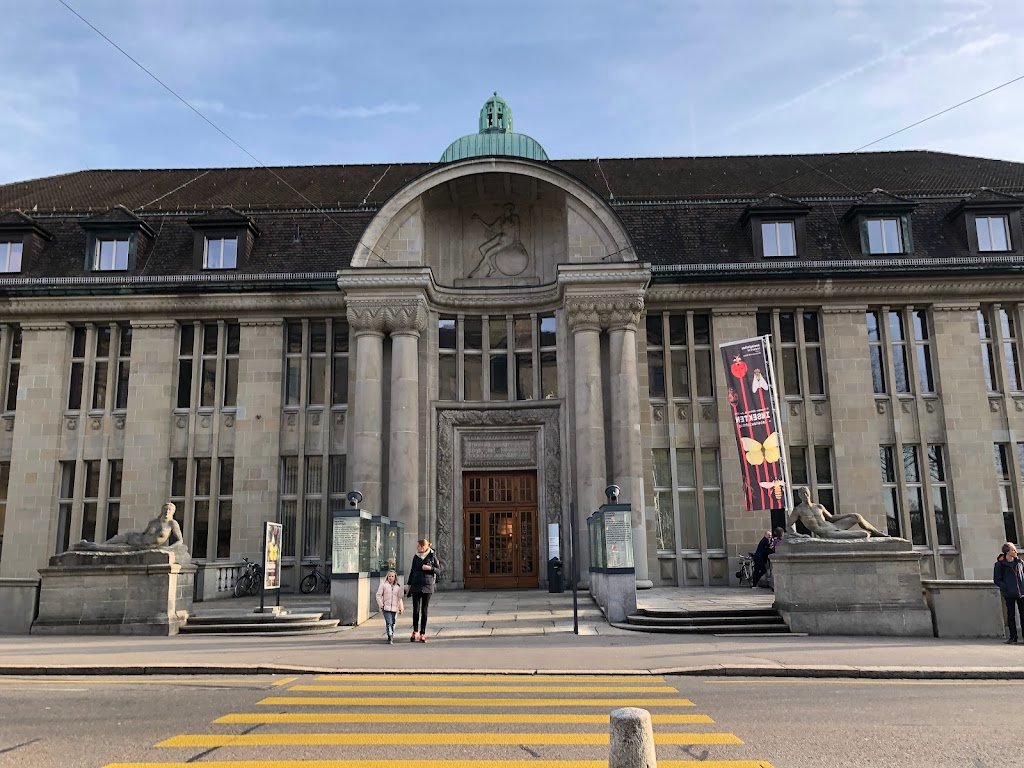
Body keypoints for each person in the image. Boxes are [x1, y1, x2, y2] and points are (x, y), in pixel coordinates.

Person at [74, 502, 184, 552]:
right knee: (110, 542)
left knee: (106, 549)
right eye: (165, 509)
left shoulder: (172, 524)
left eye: (169, 509)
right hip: (133, 538)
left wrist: (169, 549)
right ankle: (87, 546)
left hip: (140, 547)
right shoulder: (153, 522)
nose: (167, 511)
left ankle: (87, 545)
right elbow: (143, 534)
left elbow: (180, 541)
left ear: (173, 512)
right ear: (162, 510)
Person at [787, 486, 887, 539]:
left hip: (833, 526)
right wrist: (800, 536)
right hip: (826, 533)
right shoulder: (798, 510)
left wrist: (848, 515)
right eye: (802, 493)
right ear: (799, 495)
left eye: (806, 493)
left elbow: (831, 518)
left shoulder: (818, 506)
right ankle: (869, 534)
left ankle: (876, 532)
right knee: (864, 534)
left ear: (809, 493)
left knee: (857, 516)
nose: (805, 495)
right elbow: (788, 526)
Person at [407, 538, 441, 643]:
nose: (417, 548)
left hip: (427, 586)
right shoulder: (416, 556)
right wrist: (409, 585)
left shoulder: (432, 556)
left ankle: (422, 633)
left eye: (418, 546)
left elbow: (439, 571)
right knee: (415, 610)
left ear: (424, 546)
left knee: (424, 610)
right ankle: (415, 631)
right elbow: (412, 571)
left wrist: (429, 568)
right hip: (416, 585)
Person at [993, 542, 1024, 644]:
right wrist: (1006, 588)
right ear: (1007, 552)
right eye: (1013, 550)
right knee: (1011, 616)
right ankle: (1013, 637)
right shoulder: (999, 565)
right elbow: (997, 580)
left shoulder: (1020, 562)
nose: (1016, 551)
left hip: (1021, 593)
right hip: (1009, 594)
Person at [375, 569, 404, 645]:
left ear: (395, 577)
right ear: (387, 577)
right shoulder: (383, 585)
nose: (391, 578)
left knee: (393, 623)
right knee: (389, 622)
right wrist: (381, 605)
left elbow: (399, 598)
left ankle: (391, 633)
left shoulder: (397, 586)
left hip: (395, 608)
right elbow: (378, 595)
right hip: (386, 608)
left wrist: (401, 607)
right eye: (389, 576)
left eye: (392, 576)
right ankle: (390, 636)